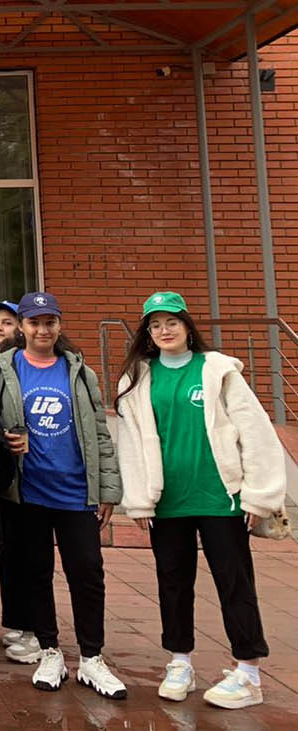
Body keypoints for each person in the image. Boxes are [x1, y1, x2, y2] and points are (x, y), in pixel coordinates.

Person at [112, 290, 286, 711]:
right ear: (147, 334)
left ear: (188, 327)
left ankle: (248, 673)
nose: (164, 330)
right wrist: (139, 501)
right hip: (167, 502)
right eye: (155, 325)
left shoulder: (218, 370)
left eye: (172, 322)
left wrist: (259, 496)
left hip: (220, 499)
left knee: (234, 583)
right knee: (173, 584)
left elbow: (255, 430)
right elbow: (131, 445)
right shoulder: (137, 378)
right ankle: (180, 663)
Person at [0, 292, 126, 699]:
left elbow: (99, 432)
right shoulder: (3, 369)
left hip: (76, 492)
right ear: (22, 327)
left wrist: (108, 490)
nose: (42, 330)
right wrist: (3, 440)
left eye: (49, 322)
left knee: (87, 573)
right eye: (34, 322)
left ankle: (92, 657)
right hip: (28, 492)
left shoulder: (79, 371)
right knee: (35, 573)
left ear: (59, 325)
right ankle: (49, 650)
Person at [0, 299, 30, 658]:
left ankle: (32, 625)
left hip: (26, 473)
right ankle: (17, 620)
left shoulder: (22, 365)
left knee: (25, 554)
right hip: (0, 473)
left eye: (7, 322)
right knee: (8, 553)